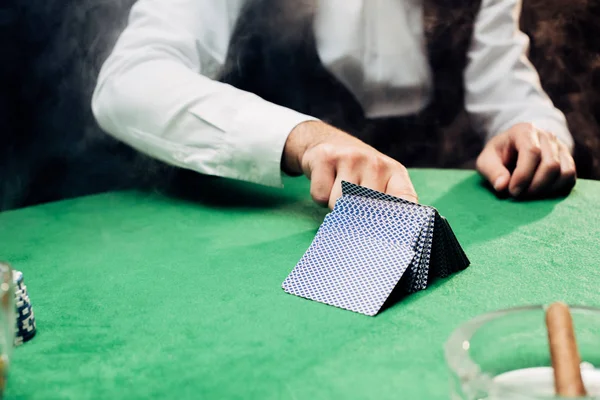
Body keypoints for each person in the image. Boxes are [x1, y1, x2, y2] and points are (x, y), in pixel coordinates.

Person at [92, 0, 577, 209]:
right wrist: (305, 138)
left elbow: (506, 85)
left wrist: (533, 132)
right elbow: (130, 80)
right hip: (266, 214)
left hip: (441, 211)